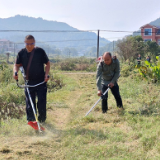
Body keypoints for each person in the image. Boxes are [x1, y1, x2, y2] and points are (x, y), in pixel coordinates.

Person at [13, 35, 50, 123]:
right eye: (27, 44)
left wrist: (46, 74)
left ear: (34, 43)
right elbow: (16, 65)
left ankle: (41, 121)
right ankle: (31, 121)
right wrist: (15, 73)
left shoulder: (40, 51)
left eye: (31, 43)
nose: (29, 45)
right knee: (30, 103)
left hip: (41, 81)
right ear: (24, 43)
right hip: (28, 82)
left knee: (41, 102)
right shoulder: (21, 53)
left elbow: (47, 63)